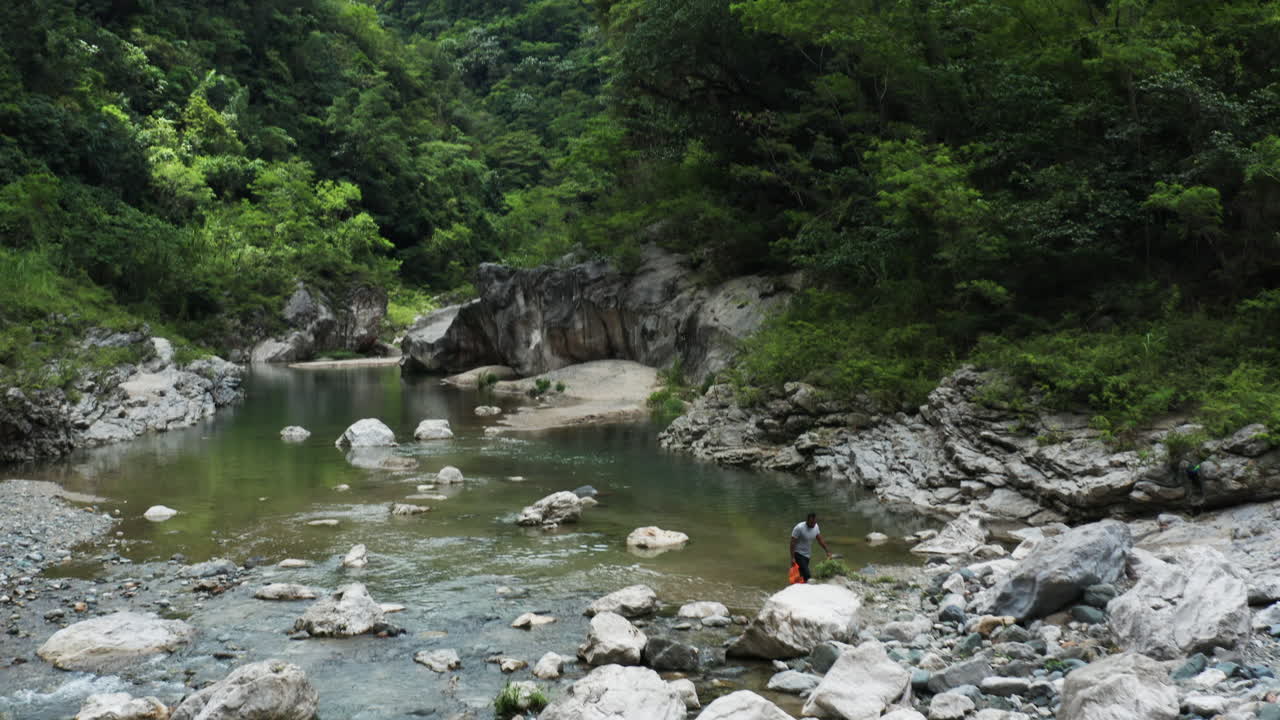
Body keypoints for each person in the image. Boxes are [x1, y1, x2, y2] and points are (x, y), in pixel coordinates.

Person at [790, 512, 831, 582]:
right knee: (807, 575)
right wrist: (793, 557)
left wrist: (827, 551)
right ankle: (808, 587)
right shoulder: (799, 528)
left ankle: (801, 587)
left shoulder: (816, 526)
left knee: (802, 574)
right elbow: (792, 543)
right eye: (812, 522)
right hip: (798, 554)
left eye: (814, 522)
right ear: (807, 520)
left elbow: (820, 540)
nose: (813, 524)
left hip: (807, 555)